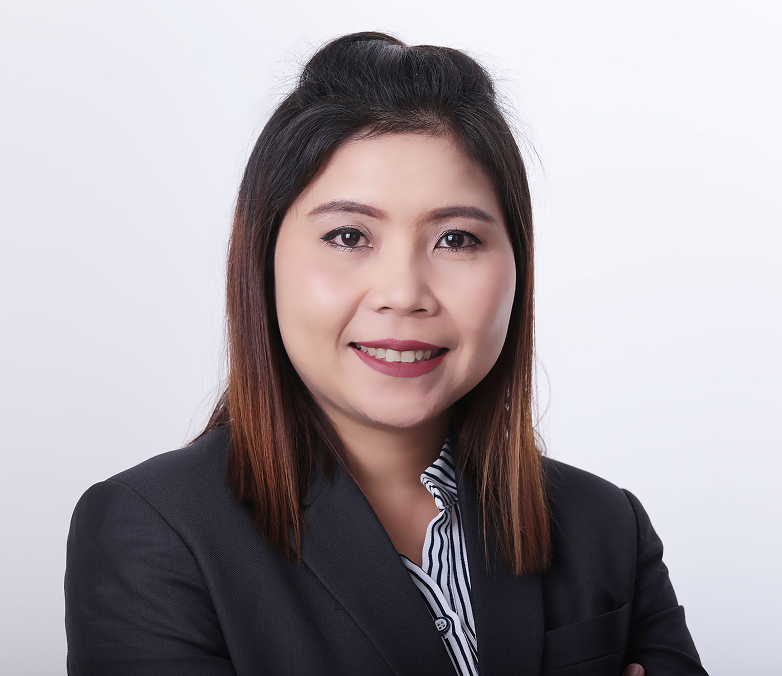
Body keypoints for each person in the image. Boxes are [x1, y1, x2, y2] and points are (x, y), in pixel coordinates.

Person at [64, 32, 708, 675]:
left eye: (456, 239)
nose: (403, 294)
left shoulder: (605, 526)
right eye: (348, 236)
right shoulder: (154, 531)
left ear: (518, 268)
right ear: (263, 260)